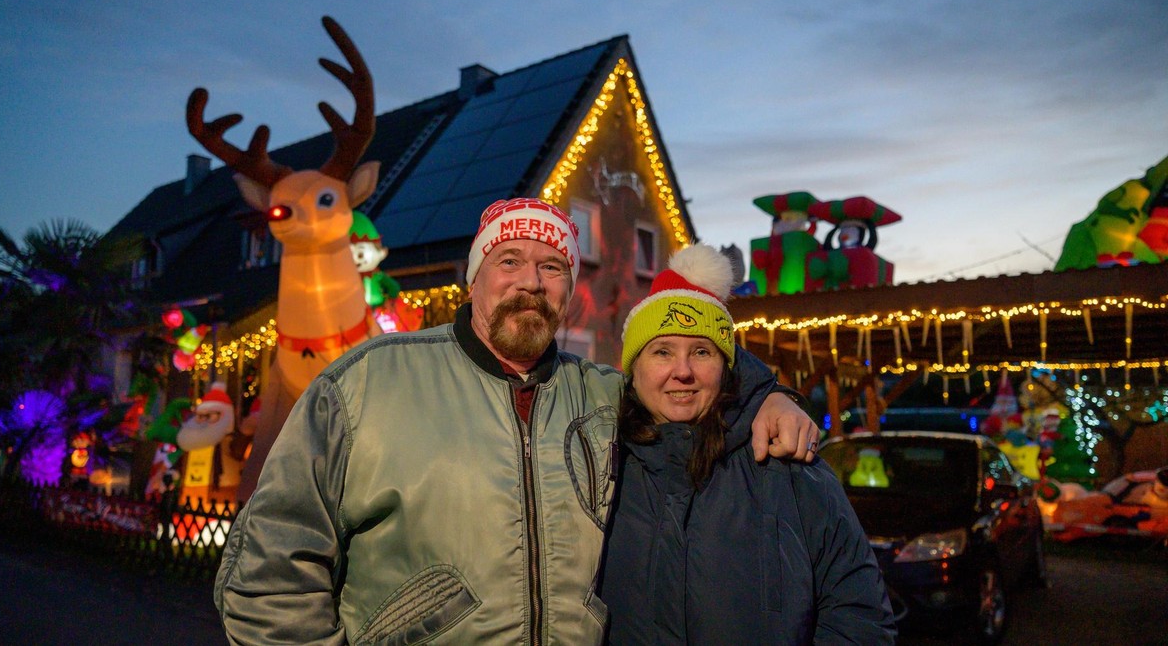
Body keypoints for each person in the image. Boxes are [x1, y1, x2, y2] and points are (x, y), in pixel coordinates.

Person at [214, 198, 819, 644]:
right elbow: (269, 575)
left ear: (568, 291)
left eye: (552, 267)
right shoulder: (366, 384)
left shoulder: (604, 397)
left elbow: (692, 382)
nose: (530, 282)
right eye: (510, 260)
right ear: (474, 276)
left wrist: (769, 392)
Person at [597, 243, 896, 644]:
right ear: (633, 369)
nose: (682, 371)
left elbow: (859, 616)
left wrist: (772, 393)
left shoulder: (787, 463)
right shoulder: (601, 465)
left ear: (726, 366)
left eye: (701, 351)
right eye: (662, 351)